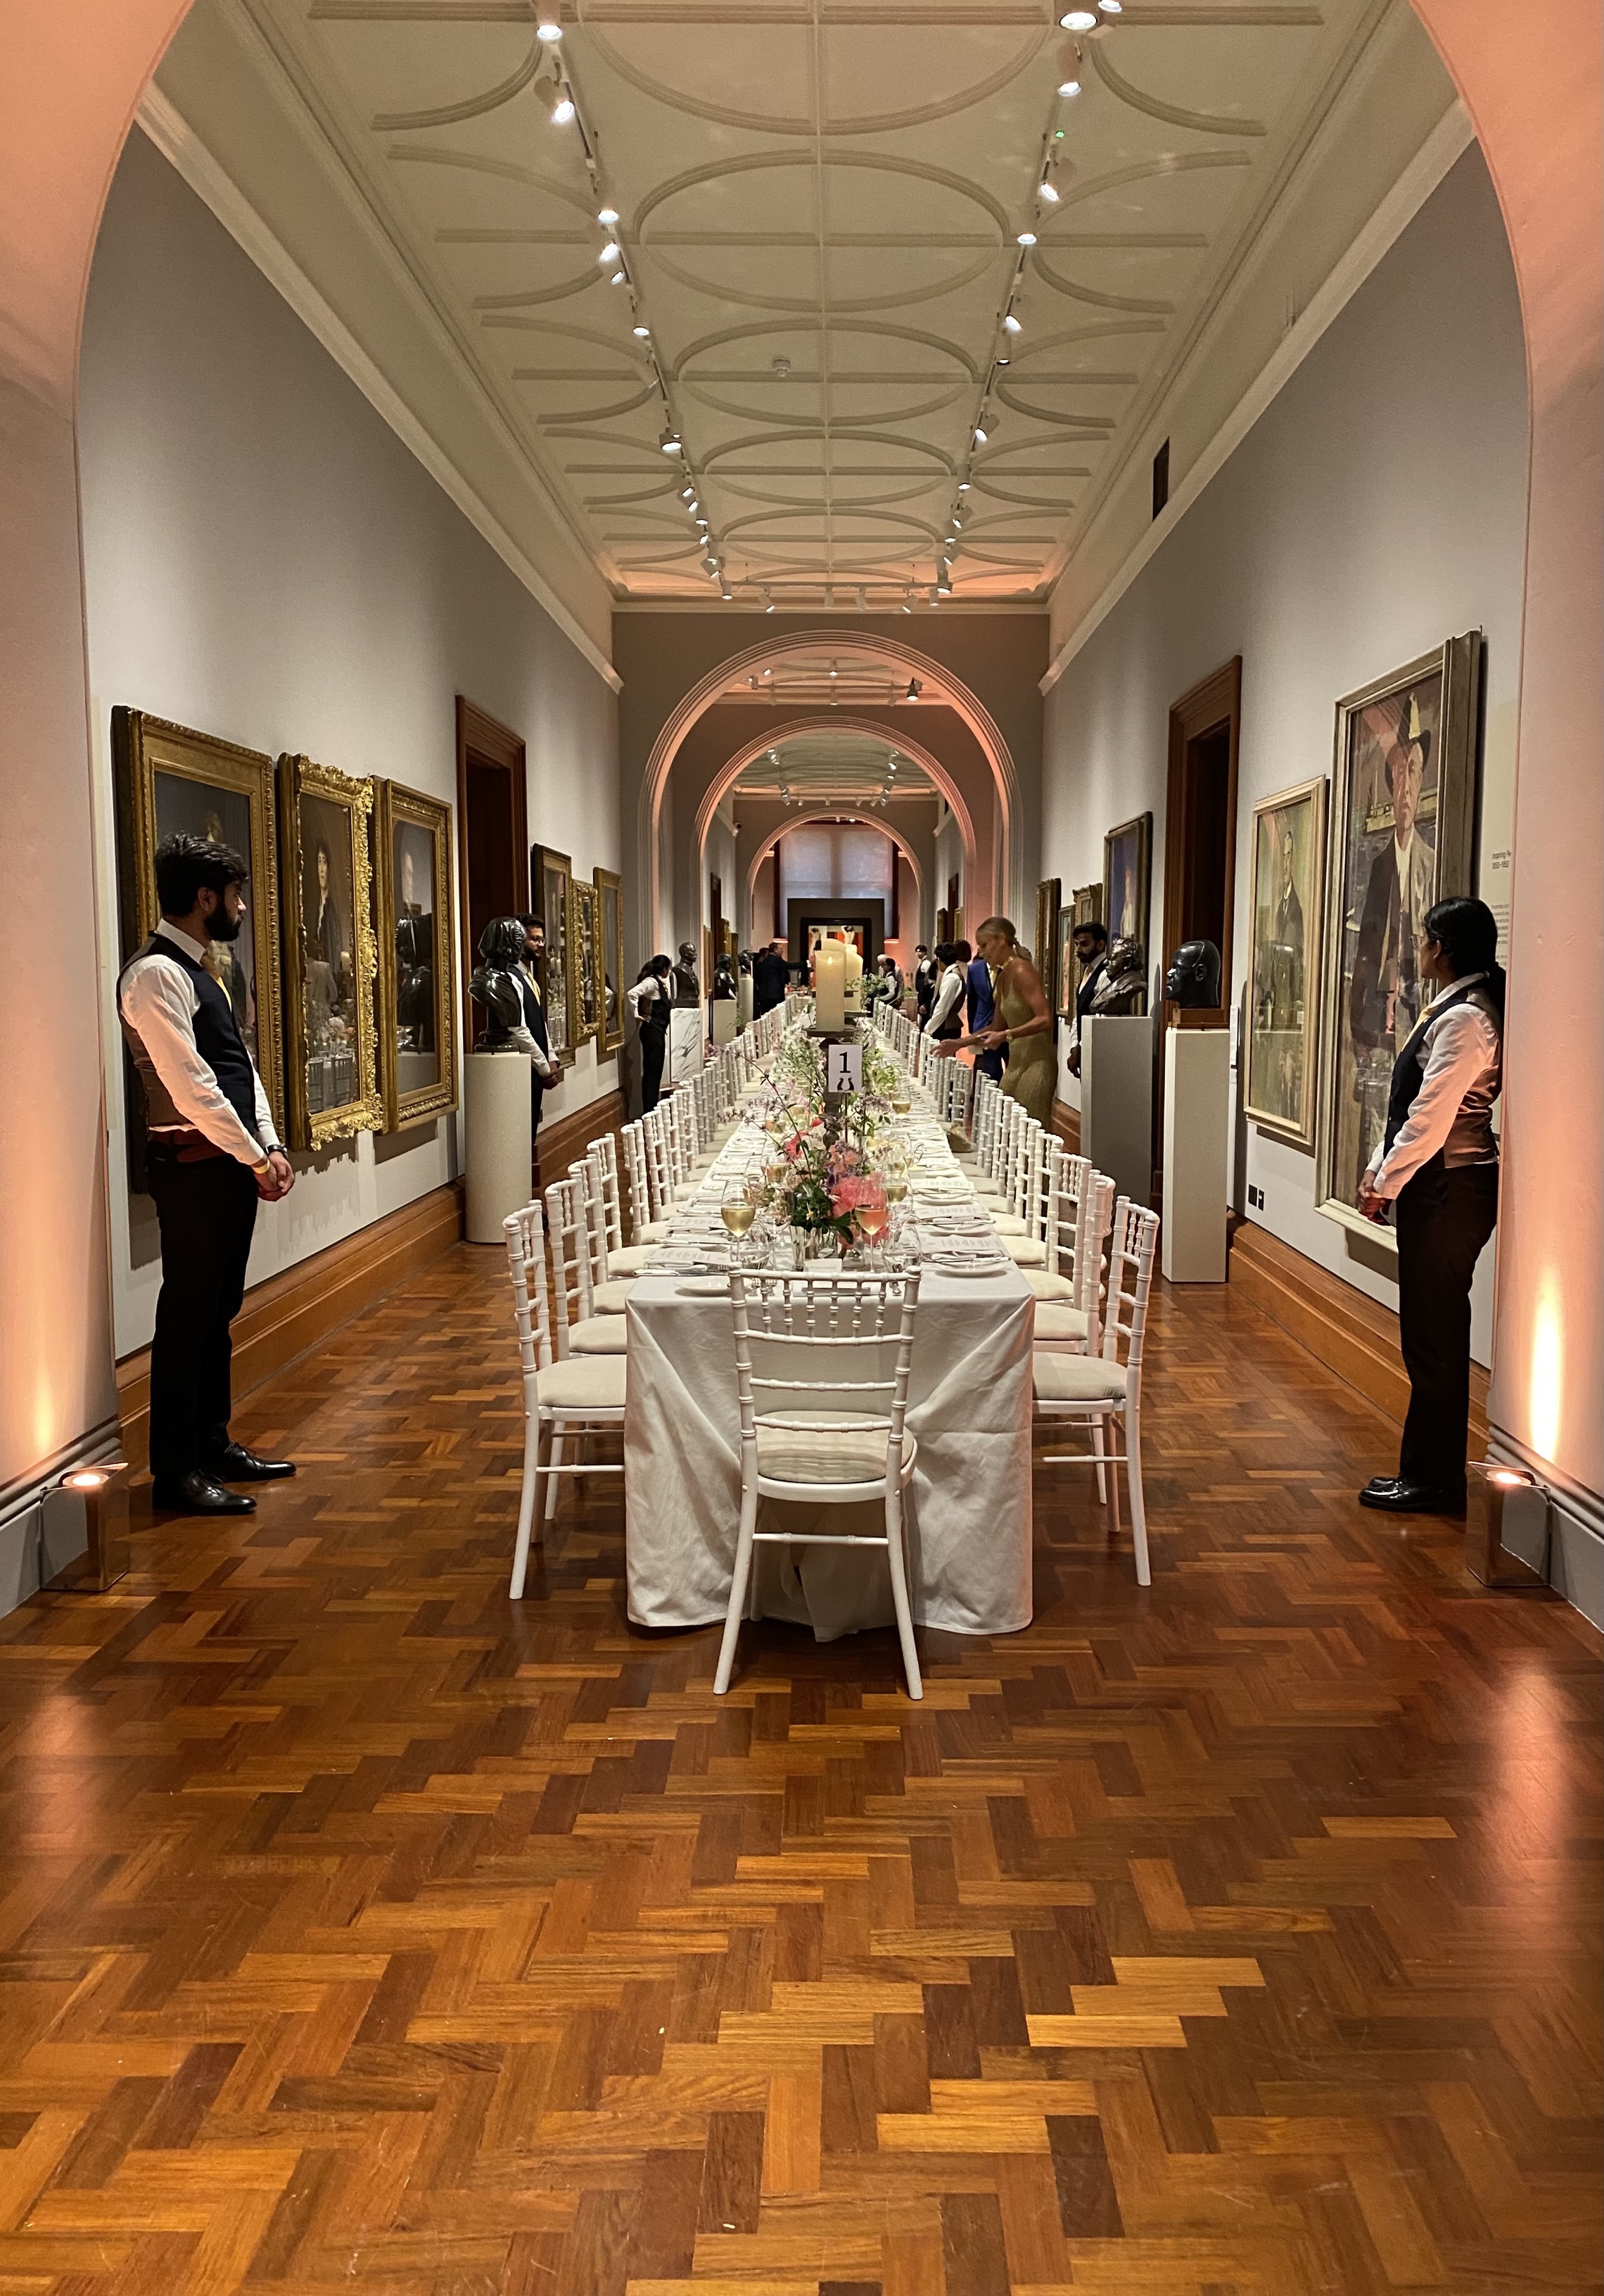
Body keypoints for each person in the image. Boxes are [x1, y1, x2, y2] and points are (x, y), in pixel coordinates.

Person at [117, 834, 297, 1517]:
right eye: (235, 895)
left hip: (227, 1165)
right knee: (187, 1315)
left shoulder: (202, 969)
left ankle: (212, 1444)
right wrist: (255, 1156)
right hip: (192, 1170)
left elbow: (239, 1067)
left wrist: (268, 1143)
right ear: (205, 898)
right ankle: (176, 1472)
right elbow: (192, 1087)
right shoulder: (154, 975)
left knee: (218, 1309)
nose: (241, 907)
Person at [1356, 896, 1503, 1517]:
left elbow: (1431, 1117)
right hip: (1441, 1186)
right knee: (1429, 1334)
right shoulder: (1456, 1008)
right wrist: (1380, 1169)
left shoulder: (1466, 1018)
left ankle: (1433, 1480)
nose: (1419, 949)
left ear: (1440, 948)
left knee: (1435, 1339)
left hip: (1449, 1190)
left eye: (1423, 939)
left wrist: (1384, 1183)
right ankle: (1428, 1473)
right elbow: (1410, 1109)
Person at [1350, 709, 1436, 1056]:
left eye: (1412, 770)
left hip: (1419, 1020)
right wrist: (1359, 1025)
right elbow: (1366, 950)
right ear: (1391, 783)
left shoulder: (1430, 864)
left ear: (1420, 783)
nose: (1405, 785)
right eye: (1399, 771)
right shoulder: (1380, 866)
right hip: (1379, 1023)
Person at [954, 917, 1055, 1124]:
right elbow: (996, 1026)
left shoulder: (1023, 971)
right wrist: (959, 1043)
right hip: (1017, 1064)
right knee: (1005, 1125)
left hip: (1037, 1064)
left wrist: (1006, 1035)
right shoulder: (1002, 976)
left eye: (984, 945)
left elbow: (1045, 1019)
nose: (980, 952)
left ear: (1000, 939)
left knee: (1029, 1129)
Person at [514, 914, 559, 1155]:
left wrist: (551, 1058)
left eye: (542, 939)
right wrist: (543, 1066)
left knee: (530, 1130)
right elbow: (519, 1029)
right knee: (520, 1134)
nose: (540, 944)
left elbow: (540, 1023)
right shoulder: (512, 977)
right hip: (521, 1068)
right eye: (534, 939)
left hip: (536, 1067)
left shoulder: (530, 979)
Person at [628, 955, 673, 1110]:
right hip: (652, 1031)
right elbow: (632, 993)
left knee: (656, 1069)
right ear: (664, 969)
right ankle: (649, 1108)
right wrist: (636, 1013)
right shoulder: (652, 982)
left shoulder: (660, 983)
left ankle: (652, 1105)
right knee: (652, 1071)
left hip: (657, 1031)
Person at [1066, 919, 1107, 1080]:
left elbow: (1101, 1018)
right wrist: (1075, 1046)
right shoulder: (1088, 970)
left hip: (1101, 1052)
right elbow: (1080, 1013)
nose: (1078, 950)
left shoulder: (1107, 972)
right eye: (1077, 945)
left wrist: (1080, 1048)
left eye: (1084, 944)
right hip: (1086, 1051)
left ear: (1100, 944)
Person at [966, 939, 1004, 1082]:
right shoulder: (974, 970)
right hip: (983, 1025)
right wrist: (973, 1031)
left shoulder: (1010, 969)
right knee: (991, 1071)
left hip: (1008, 1027)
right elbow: (972, 1001)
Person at [922, 939, 969, 1042]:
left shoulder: (952, 977)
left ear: (939, 960)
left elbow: (942, 1008)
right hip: (945, 1025)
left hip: (947, 1028)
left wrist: (929, 1028)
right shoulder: (952, 973)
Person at [752, 939, 791, 1018]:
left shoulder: (764, 963)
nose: (782, 951)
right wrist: (807, 962)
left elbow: (758, 978)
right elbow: (790, 966)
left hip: (764, 995)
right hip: (774, 995)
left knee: (766, 1017)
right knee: (776, 1018)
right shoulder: (775, 960)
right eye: (781, 949)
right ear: (775, 950)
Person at [912, 945, 937, 1026]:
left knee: (924, 1012)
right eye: (917, 952)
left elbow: (928, 977)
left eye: (920, 951)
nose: (918, 953)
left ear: (925, 952)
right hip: (921, 991)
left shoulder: (926, 963)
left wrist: (926, 990)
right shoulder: (921, 962)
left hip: (924, 991)